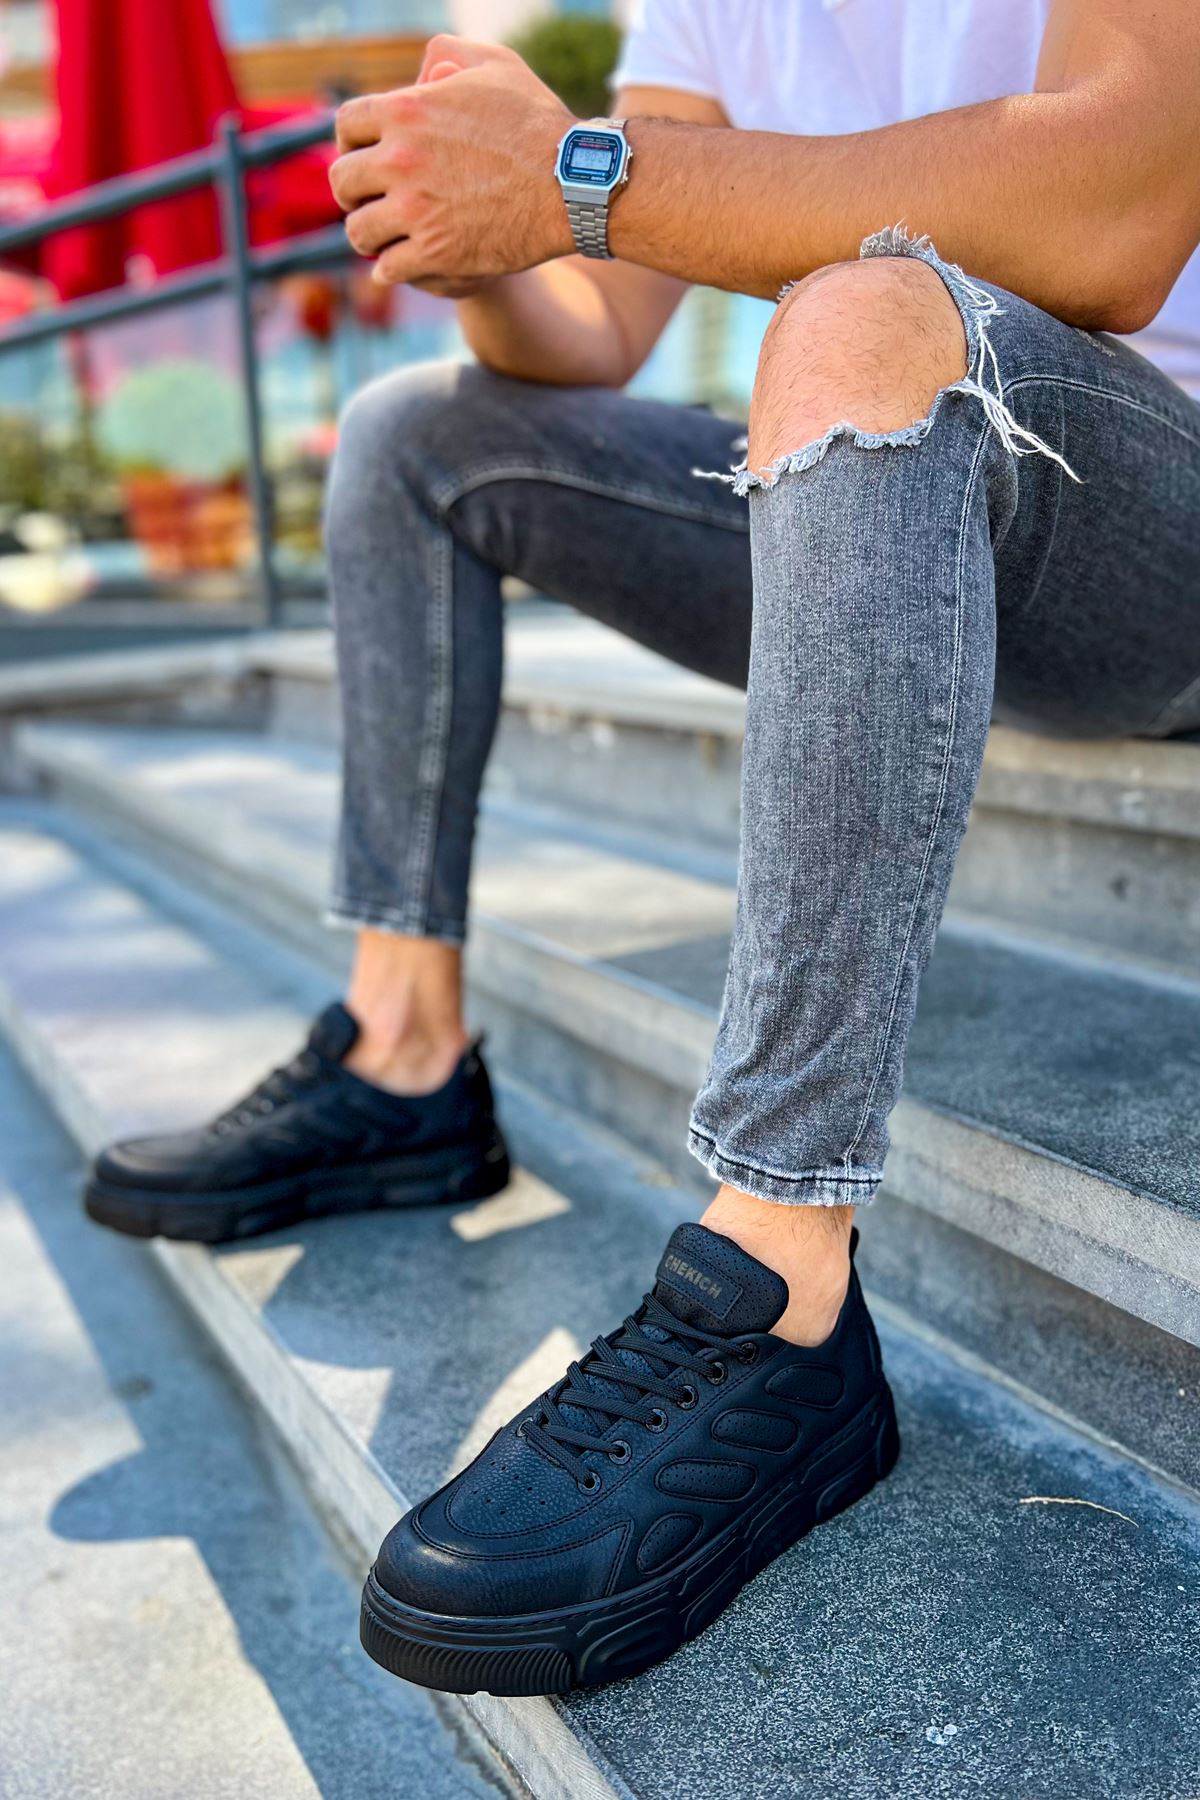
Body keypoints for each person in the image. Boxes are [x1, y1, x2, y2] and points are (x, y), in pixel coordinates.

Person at [85, 0, 1200, 1696]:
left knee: (863, 303)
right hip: (898, 484)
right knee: (415, 432)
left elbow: (1113, 216)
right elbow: (593, 334)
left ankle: (780, 1287)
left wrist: (573, 173)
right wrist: (474, 235)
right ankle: (403, 1057)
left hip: (1146, 528)